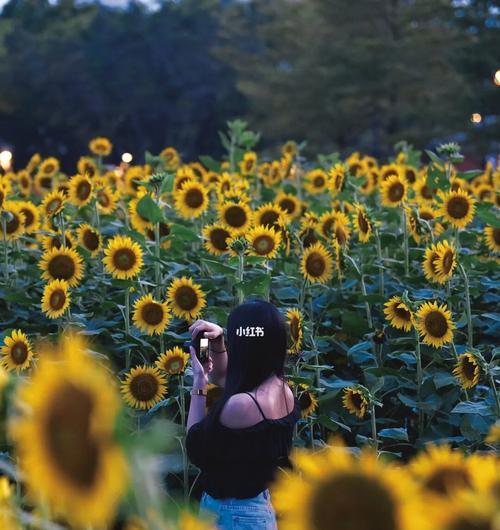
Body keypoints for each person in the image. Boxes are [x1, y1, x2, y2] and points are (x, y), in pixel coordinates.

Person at [186, 299, 301, 530]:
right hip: (257, 509)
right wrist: (217, 343)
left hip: (232, 516)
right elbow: (226, 378)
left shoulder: (242, 406)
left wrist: (199, 384)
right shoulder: (281, 389)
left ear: (242, 347)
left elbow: (195, 447)